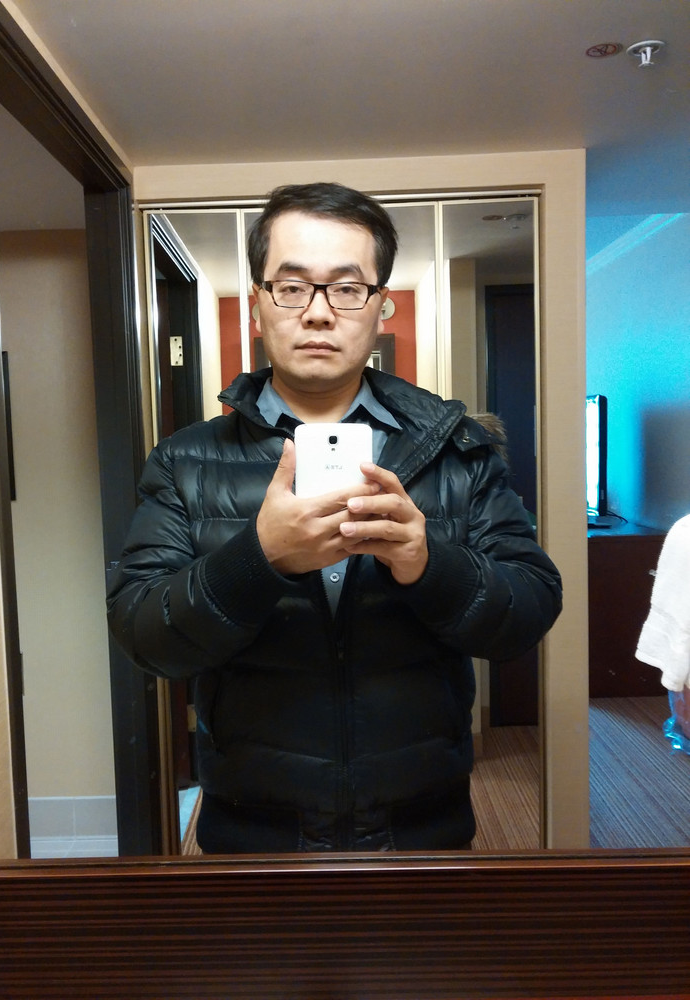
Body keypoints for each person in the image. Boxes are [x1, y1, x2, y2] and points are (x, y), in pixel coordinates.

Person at [107, 182, 562, 853]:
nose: (318, 313)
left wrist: (427, 564)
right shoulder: (185, 460)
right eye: (292, 288)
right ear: (258, 305)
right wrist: (258, 559)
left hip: (423, 827)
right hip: (253, 833)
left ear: (380, 306)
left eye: (347, 289)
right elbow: (144, 634)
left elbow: (530, 611)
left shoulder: (456, 449)